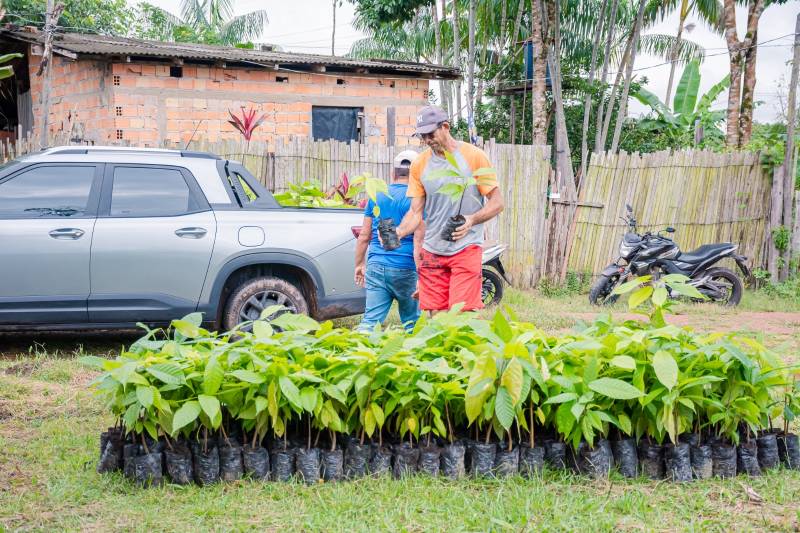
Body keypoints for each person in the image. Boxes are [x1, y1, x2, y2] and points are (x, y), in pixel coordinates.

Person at [393, 105, 504, 313]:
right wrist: (398, 232)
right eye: (423, 136)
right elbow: (415, 212)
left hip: (466, 247)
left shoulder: (474, 156)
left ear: (445, 126)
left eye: (430, 134)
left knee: (461, 313)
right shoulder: (419, 164)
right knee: (436, 315)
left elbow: (497, 202)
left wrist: (471, 219)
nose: (427, 140)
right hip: (432, 249)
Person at [354, 150, 423, 332]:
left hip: (376, 266)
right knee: (413, 324)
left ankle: (355, 349)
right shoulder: (417, 200)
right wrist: (422, 276)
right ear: (417, 175)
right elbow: (419, 242)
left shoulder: (377, 195)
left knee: (370, 322)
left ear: (393, 173)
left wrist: (359, 264)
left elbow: (364, 236)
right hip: (406, 268)